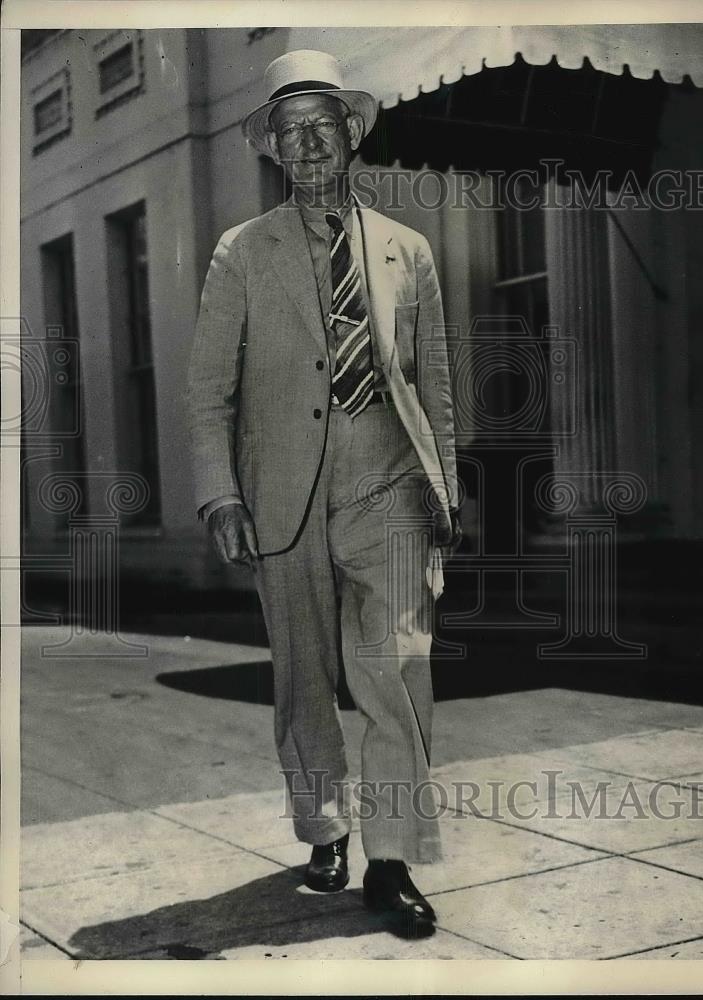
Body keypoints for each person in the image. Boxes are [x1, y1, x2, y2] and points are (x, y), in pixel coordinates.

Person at [187, 49, 461, 939]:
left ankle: (389, 860)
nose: (306, 146)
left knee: (396, 671)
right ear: (272, 149)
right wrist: (220, 494)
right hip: (283, 500)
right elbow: (207, 391)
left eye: (321, 126)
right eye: (287, 132)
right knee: (304, 681)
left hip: (387, 487)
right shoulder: (242, 254)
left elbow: (434, 381)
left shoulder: (405, 249)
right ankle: (323, 825)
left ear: (351, 133)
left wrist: (443, 489)